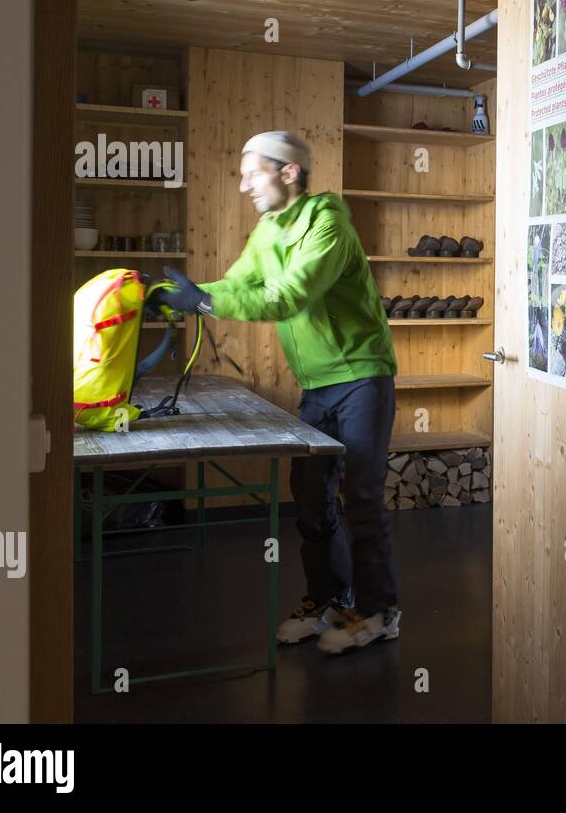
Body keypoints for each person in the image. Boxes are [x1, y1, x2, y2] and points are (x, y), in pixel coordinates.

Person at [159, 130, 400, 654]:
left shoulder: (328, 225)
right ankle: (329, 599)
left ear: (288, 173)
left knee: (359, 495)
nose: (243, 183)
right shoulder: (268, 229)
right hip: (316, 383)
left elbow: (289, 295)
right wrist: (188, 296)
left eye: (253, 172)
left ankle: (380, 611)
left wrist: (202, 304)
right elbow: (239, 284)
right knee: (311, 498)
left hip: (362, 376)